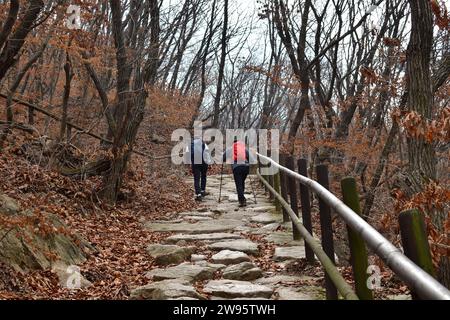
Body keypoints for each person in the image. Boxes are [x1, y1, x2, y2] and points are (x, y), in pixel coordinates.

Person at [222, 138, 254, 207]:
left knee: (239, 184)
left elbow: (222, 158)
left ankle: (242, 200)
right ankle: (242, 197)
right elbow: (252, 159)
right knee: (242, 182)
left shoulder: (230, 149)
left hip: (236, 168)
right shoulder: (244, 149)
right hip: (245, 167)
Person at [186, 137, 212, 201]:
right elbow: (207, 153)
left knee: (196, 179)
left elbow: (187, 155)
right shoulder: (203, 144)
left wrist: (189, 164)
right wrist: (209, 162)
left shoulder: (190, 144)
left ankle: (198, 194)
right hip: (204, 163)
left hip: (195, 163)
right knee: (203, 176)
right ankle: (203, 191)